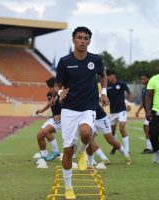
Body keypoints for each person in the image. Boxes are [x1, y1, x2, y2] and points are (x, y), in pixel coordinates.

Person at [56, 26, 108, 199]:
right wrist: (59, 93)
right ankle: (69, 187)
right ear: (73, 40)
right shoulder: (64, 61)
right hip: (69, 109)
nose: (82, 41)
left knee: (86, 133)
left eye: (86, 38)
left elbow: (103, 76)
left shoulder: (96, 59)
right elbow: (58, 84)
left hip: (88, 106)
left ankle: (83, 151)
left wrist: (103, 93)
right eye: (79, 38)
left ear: (89, 41)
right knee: (67, 150)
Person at [106, 69, 133, 154]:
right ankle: (116, 146)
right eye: (107, 76)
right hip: (113, 112)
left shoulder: (121, 83)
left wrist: (129, 103)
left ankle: (127, 150)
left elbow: (129, 93)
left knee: (121, 128)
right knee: (112, 132)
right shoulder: (107, 86)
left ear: (114, 75)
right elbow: (106, 99)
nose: (108, 77)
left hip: (122, 110)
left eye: (109, 75)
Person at [35, 77, 61, 161]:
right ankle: (44, 156)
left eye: (50, 88)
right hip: (53, 118)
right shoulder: (49, 94)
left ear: (55, 86)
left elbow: (69, 106)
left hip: (62, 119)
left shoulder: (62, 94)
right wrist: (41, 110)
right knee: (39, 135)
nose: (49, 90)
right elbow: (50, 103)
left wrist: (60, 115)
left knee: (46, 131)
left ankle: (55, 151)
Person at [135, 73, 153, 154]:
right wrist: (138, 110)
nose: (142, 80)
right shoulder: (143, 89)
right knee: (146, 128)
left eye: (144, 79)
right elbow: (144, 101)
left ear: (149, 79)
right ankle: (150, 147)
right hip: (147, 113)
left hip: (152, 112)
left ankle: (150, 148)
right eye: (141, 79)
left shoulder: (152, 89)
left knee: (147, 128)